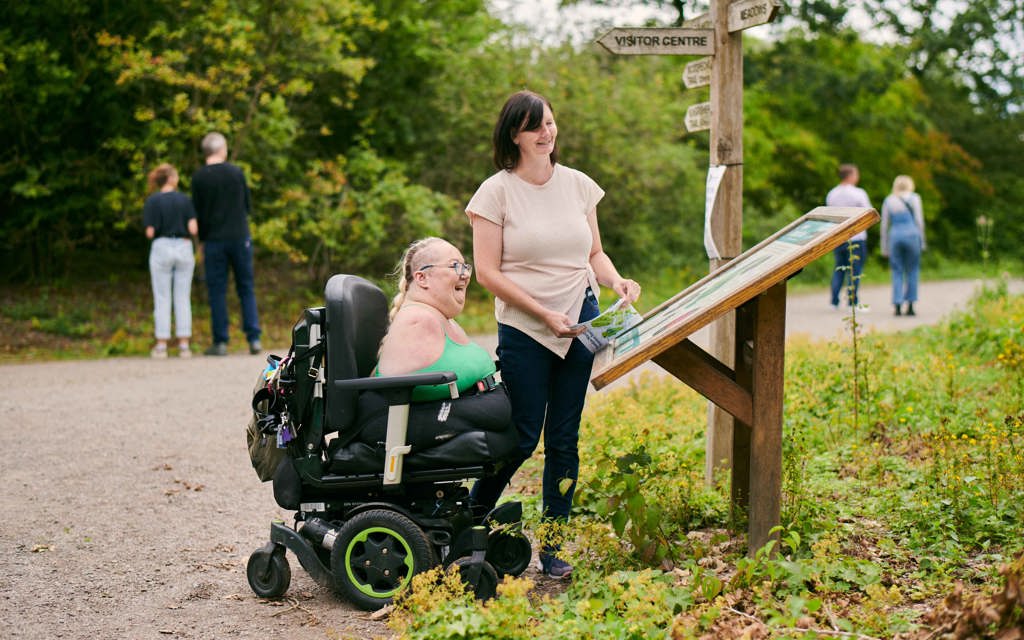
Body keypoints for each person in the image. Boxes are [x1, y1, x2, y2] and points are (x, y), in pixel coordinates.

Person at [465, 90, 641, 579]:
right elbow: (487, 273)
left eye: (550, 122)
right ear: (514, 136)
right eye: (534, 126)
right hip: (526, 327)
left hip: (580, 323)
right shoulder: (494, 193)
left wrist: (616, 280)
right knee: (521, 437)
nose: (547, 133)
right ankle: (467, 522)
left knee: (564, 439)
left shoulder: (580, 186)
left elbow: (595, 254)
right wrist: (543, 313)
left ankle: (555, 548)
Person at [358, 237, 515, 454]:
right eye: (455, 266)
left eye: (465, 266)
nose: (466, 274)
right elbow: (390, 386)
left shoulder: (438, 316)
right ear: (422, 278)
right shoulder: (418, 320)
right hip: (387, 424)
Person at [191, 132, 262, 356]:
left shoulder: (199, 177)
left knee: (217, 291)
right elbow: (247, 206)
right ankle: (254, 338)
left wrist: (201, 241)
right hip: (240, 237)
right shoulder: (236, 173)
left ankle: (221, 342)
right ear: (223, 150)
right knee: (246, 287)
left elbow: (198, 213)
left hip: (213, 240)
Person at [143, 163, 198, 358]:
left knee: (162, 296)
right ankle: (184, 344)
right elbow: (193, 229)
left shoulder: (152, 201)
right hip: (183, 246)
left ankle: (162, 344)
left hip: (161, 247)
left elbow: (149, 232)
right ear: (173, 179)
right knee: (183, 296)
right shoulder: (184, 200)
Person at [826, 164, 873, 312]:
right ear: (851, 176)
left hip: (838, 237)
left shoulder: (832, 194)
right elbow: (869, 212)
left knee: (839, 268)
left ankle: (834, 301)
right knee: (855, 270)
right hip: (856, 237)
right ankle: (853, 301)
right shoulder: (859, 193)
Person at [880, 175, 926, 316]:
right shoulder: (915, 198)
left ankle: (898, 304)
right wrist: (922, 241)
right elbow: (919, 221)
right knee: (912, 270)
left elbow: (884, 225)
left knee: (897, 270)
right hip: (912, 235)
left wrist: (884, 246)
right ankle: (911, 305)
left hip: (895, 236)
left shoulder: (889, 200)